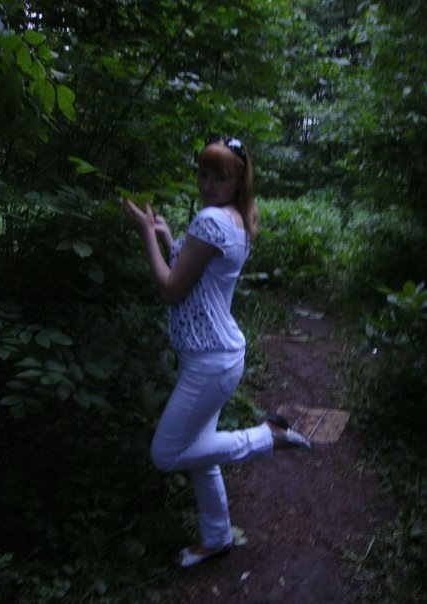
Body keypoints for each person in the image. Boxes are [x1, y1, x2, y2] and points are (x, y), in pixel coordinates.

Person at [122, 135, 310, 568]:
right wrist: (167, 237)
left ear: (238, 181)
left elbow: (172, 290)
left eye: (219, 178)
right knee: (201, 451)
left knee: (167, 454)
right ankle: (217, 537)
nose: (208, 185)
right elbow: (196, 276)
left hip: (209, 360)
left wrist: (145, 234)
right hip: (215, 355)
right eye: (203, 174)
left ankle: (266, 436)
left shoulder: (210, 220)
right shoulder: (237, 218)